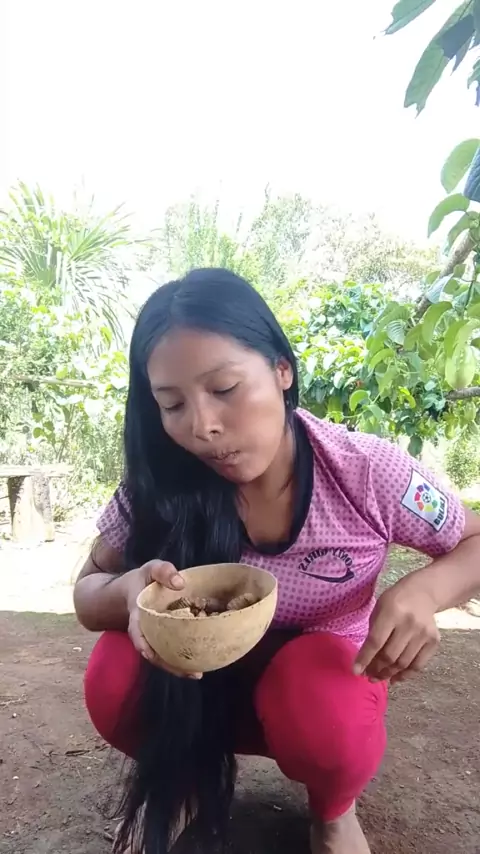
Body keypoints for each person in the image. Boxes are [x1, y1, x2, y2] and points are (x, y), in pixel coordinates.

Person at [74, 268, 480, 854]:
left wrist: (425, 591)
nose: (203, 427)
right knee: (115, 676)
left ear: (282, 370)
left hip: (316, 697)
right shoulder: (158, 484)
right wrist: (129, 593)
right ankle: (188, 776)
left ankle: (333, 811)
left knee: (319, 706)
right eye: (172, 404)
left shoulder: (366, 471)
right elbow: (88, 591)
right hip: (200, 683)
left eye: (224, 388)